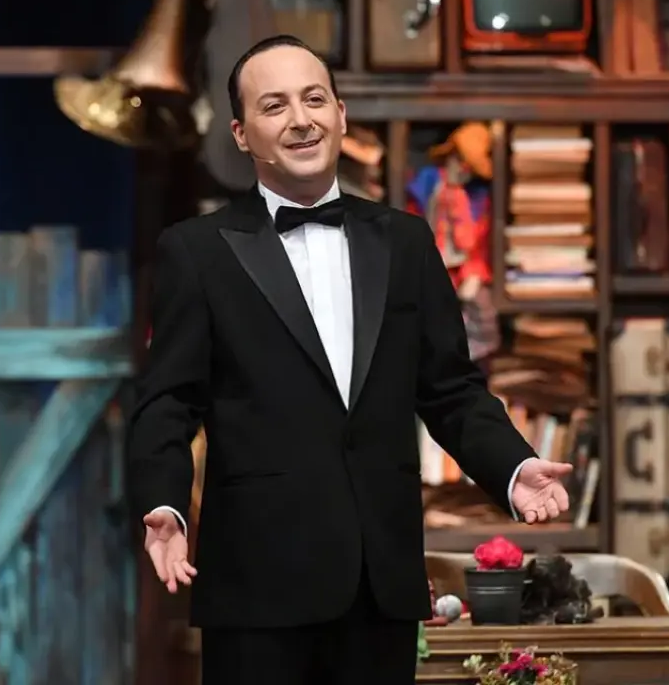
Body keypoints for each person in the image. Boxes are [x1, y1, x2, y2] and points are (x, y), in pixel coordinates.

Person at [127, 34, 574, 685]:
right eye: (274, 105)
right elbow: (167, 401)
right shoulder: (196, 252)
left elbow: (451, 389)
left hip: (379, 585)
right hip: (257, 590)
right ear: (241, 134)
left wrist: (513, 466)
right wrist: (165, 503)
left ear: (340, 114)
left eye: (314, 99)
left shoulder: (407, 242)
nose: (300, 119)